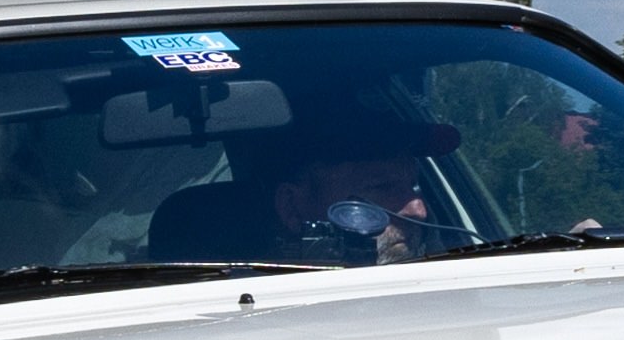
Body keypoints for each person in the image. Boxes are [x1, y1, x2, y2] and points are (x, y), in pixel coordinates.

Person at [143, 104, 464, 266]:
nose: (419, 210)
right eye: (381, 187)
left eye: (415, 187)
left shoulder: (452, 287)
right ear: (290, 207)